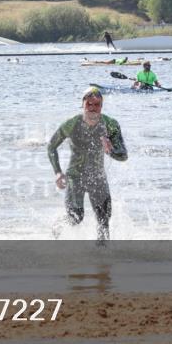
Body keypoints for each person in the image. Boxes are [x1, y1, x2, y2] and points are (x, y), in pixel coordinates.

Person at [48, 87, 128, 242]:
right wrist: (58, 172)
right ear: (82, 104)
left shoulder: (110, 124)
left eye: (97, 105)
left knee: (104, 221)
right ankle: (57, 227)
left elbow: (123, 155)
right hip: (75, 177)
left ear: (101, 106)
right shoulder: (71, 123)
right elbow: (51, 147)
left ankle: (103, 259)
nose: (92, 108)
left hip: (98, 178)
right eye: (89, 104)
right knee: (76, 218)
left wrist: (110, 150)